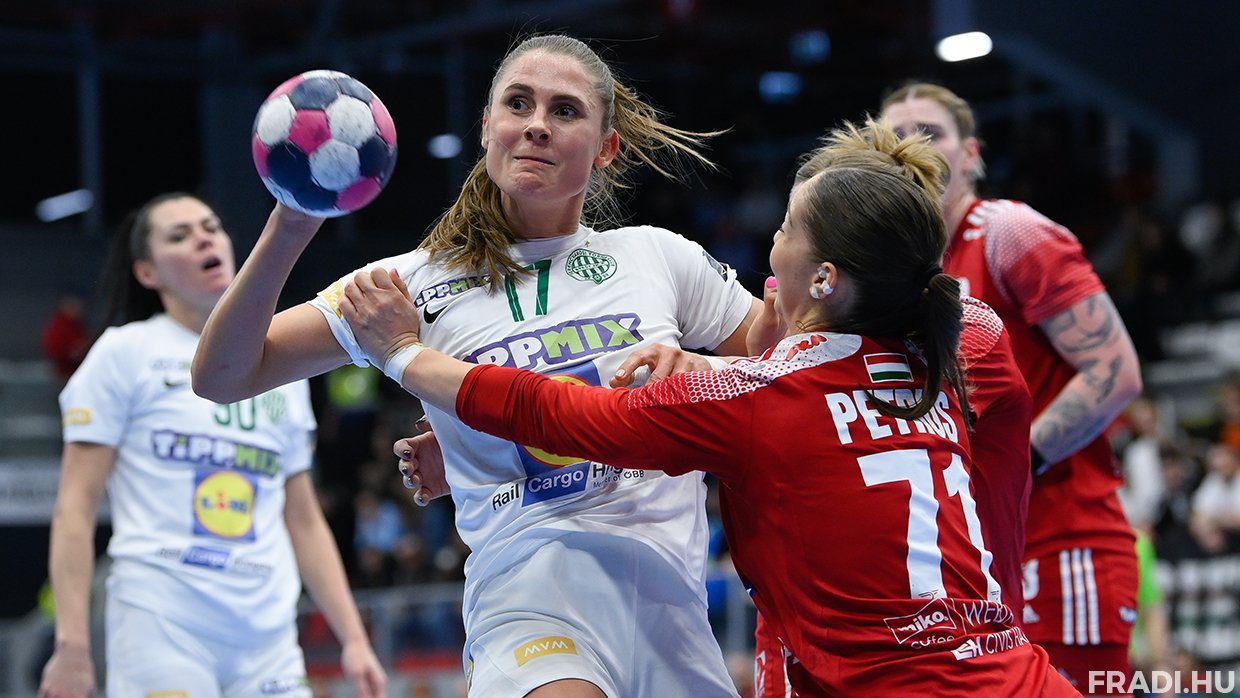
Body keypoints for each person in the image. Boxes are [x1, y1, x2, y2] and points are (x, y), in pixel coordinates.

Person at [346, 118, 1079, 696]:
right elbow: (831, 396)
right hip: (1016, 671)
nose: (772, 241)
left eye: (786, 228)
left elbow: (562, 415)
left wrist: (405, 353)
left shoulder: (747, 399)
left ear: (824, 277)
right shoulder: (957, 342)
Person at [192, 34, 760, 697]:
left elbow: (795, 370)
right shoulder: (408, 285)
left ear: (606, 148)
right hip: (531, 601)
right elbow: (223, 376)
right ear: (488, 127)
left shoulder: (658, 256)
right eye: (518, 104)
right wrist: (292, 222)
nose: (537, 125)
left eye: (565, 110)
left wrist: (700, 375)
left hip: (673, 610)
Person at [39, 193, 386, 698]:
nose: (203, 238)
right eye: (179, 236)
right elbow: (75, 506)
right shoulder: (123, 353)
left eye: (210, 226)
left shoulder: (280, 360)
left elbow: (303, 517)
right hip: (161, 619)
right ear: (147, 273)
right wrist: (72, 645)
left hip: (267, 631)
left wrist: (352, 637)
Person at [880, 82, 1144, 689]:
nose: (912, 148)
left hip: (1061, 543)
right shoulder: (899, 274)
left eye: (930, 133)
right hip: (972, 560)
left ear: (971, 154)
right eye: (895, 136)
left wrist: (1012, 466)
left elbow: (1115, 371)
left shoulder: (1010, 233)